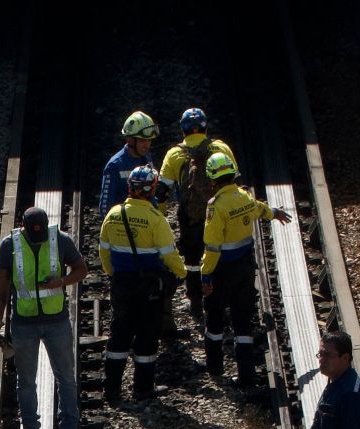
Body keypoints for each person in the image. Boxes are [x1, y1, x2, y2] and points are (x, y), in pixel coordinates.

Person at [0, 206, 88, 429]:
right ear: (23, 226)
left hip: (56, 319)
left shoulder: (60, 241)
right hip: (24, 322)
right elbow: (0, 287)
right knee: (26, 380)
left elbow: (82, 269)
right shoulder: (10, 245)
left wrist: (61, 282)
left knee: (65, 377)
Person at [198, 152, 292, 388]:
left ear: (212, 180)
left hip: (221, 271)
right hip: (245, 267)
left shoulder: (215, 207)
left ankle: (215, 367)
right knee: (242, 320)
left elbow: (212, 247)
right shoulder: (243, 196)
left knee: (215, 318)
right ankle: (247, 374)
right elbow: (259, 209)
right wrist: (274, 213)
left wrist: (205, 274)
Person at [98, 165, 186, 401]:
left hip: (122, 283)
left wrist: (113, 274)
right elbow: (169, 253)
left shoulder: (114, 214)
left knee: (119, 332)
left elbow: (104, 251)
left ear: (130, 188)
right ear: (153, 188)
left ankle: (112, 389)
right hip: (149, 286)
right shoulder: (155, 219)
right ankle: (143, 388)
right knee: (147, 334)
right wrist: (181, 273)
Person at [158, 110, 236, 323]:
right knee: (219, 253)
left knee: (192, 259)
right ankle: (220, 297)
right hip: (219, 212)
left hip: (190, 216)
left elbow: (162, 191)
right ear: (205, 127)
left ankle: (195, 300)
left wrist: (161, 214)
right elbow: (235, 183)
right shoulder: (221, 148)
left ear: (183, 129)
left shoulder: (174, 154)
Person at [100, 111, 160, 223]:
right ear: (130, 139)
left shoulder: (147, 159)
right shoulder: (114, 166)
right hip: (124, 226)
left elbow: (151, 194)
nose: (147, 145)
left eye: (149, 140)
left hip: (144, 224)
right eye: (142, 140)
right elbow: (105, 207)